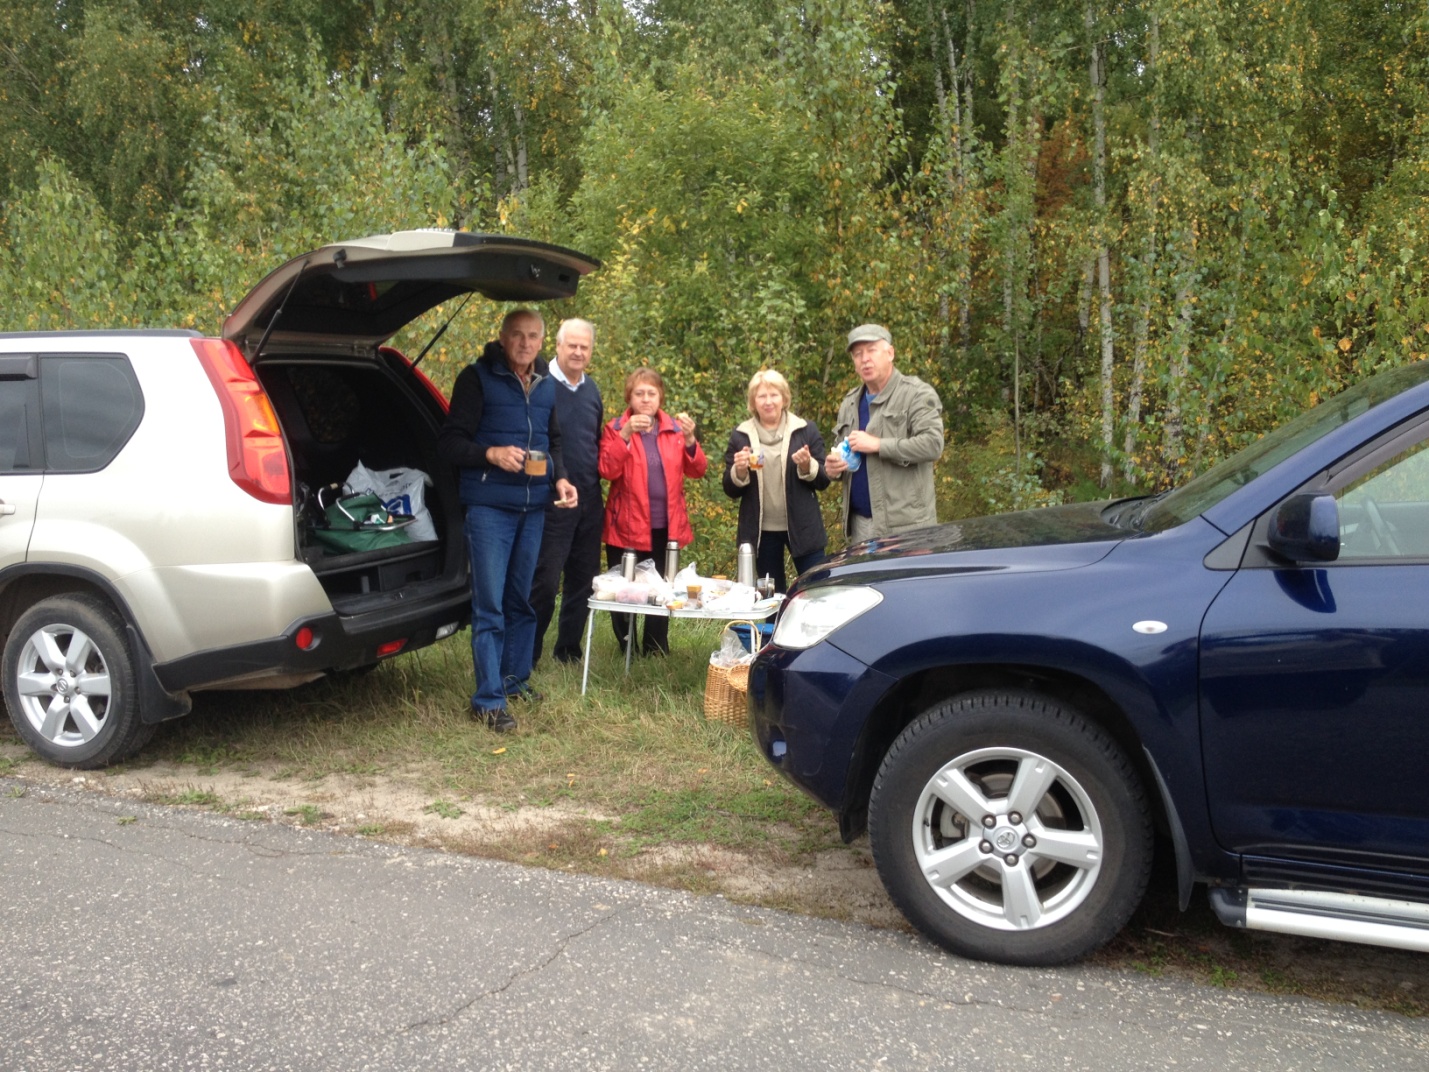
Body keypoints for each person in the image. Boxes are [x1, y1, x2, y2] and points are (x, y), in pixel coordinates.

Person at [437, 309, 579, 732]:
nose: (525, 343)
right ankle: (487, 700)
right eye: (517, 335)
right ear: (502, 337)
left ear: (542, 342)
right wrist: (491, 454)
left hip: (533, 507)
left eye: (532, 336)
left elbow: (554, 441)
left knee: (522, 600)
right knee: (491, 605)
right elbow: (449, 443)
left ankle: (514, 681)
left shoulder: (547, 384)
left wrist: (561, 478)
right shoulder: (476, 378)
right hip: (489, 508)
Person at [599, 367, 707, 655]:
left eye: (651, 393)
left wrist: (691, 440)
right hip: (626, 525)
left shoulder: (675, 430)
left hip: (666, 526)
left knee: (662, 588)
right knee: (623, 589)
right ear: (629, 397)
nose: (646, 399)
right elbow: (607, 470)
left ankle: (655, 647)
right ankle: (626, 646)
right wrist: (624, 435)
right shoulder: (615, 428)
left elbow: (698, 470)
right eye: (639, 393)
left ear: (660, 397)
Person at [824, 323, 945, 542]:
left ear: (890, 353)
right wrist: (835, 469)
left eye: (871, 350)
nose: (865, 359)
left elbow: (933, 445)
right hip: (860, 526)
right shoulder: (849, 402)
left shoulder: (916, 394)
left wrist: (878, 445)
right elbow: (846, 456)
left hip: (908, 528)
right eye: (858, 354)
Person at [530, 318, 604, 667]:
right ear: (557, 346)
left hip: (589, 498)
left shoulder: (592, 390)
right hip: (552, 498)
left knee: (583, 581)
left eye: (583, 347)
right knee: (544, 581)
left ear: (590, 351)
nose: (577, 352)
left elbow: (595, 442)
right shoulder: (540, 385)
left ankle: (568, 651)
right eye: (571, 345)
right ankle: (527, 653)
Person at [722, 369, 830, 592]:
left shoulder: (805, 430)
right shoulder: (741, 435)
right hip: (761, 533)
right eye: (762, 396)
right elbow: (729, 489)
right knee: (771, 598)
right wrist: (739, 471)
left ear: (784, 398)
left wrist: (806, 466)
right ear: (753, 402)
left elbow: (824, 479)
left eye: (774, 395)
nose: (768, 401)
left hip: (804, 528)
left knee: (817, 591)